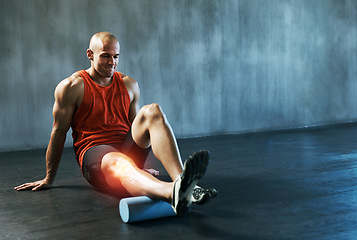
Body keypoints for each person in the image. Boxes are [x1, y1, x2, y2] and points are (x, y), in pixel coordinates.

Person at [14, 31, 216, 216]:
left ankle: (186, 183)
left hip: (125, 152)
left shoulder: (129, 84)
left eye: (116, 56)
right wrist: (49, 178)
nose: (112, 62)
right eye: (105, 56)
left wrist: (139, 169)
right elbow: (58, 132)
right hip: (97, 157)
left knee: (152, 111)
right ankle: (172, 192)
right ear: (90, 55)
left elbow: (137, 129)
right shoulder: (72, 87)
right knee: (118, 161)